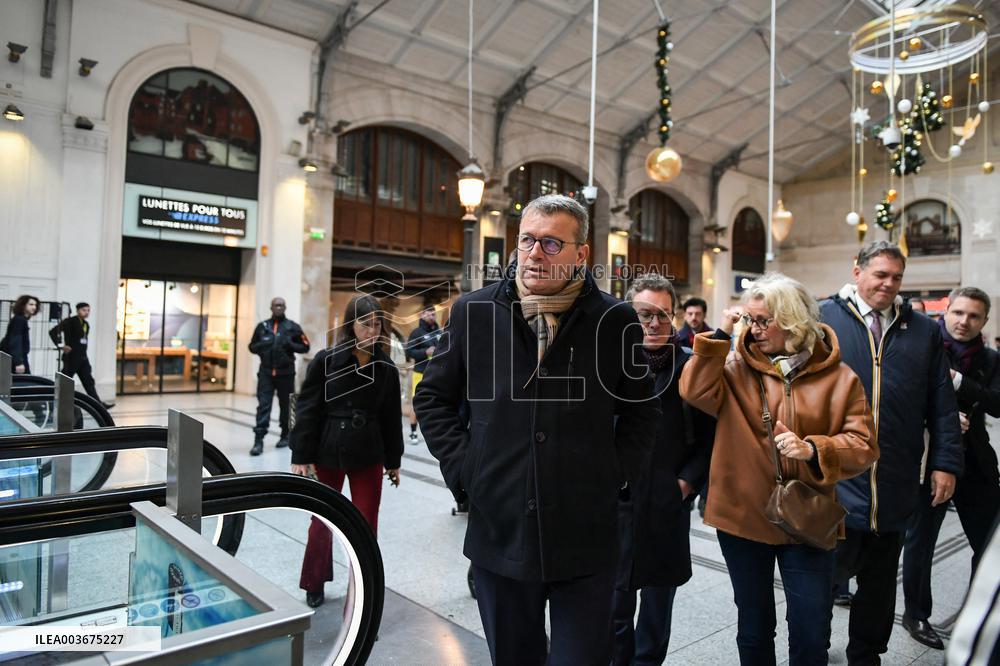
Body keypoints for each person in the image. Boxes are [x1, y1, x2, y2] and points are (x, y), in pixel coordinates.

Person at [414, 193, 658, 665]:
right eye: (527, 240)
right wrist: (466, 470)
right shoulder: (475, 311)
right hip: (501, 527)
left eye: (551, 244)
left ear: (581, 253)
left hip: (585, 532)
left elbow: (642, 410)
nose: (534, 253)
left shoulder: (614, 320)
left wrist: (615, 473)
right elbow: (433, 397)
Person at [680, 271, 877, 665]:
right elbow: (694, 390)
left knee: (811, 631)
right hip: (743, 516)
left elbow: (864, 445)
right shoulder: (735, 367)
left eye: (762, 320)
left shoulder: (841, 378)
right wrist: (721, 334)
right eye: (749, 319)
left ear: (793, 321)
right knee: (754, 627)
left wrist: (814, 449)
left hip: (808, 520)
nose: (753, 329)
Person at [820, 240, 963, 665]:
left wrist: (944, 463)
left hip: (895, 479)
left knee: (880, 585)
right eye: (880, 274)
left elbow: (942, 402)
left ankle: (867, 655)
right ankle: (812, 647)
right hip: (837, 478)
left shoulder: (922, 330)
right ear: (858, 271)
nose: (889, 284)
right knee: (823, 578)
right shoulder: (823, 318)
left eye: (897, 277)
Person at [613, 273, 715, 666]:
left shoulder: (690, 367)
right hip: (614, 504)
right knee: (614, 603)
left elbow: (709, 435)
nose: (654, 323)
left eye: (663, 315)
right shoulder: (609, 363)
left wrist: (684, 485)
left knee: (657, 607)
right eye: (645, 315)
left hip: (665, 502)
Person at [901, 286, 1000, 650]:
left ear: (984, 320)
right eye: (958, 313)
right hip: (932, 459)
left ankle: (978, 608)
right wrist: (941, 418)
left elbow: (997, 403)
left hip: (976, 463)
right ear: (946, 312)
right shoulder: (923, 348)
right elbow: (904, 398)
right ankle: (916, 614)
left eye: (974, 316)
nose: (964, 321)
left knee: (988, 545)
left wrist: (960, 383)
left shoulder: (990, 359)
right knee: (921, 541)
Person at [289, 294, 403, 608]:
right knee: (322, 522)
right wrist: (301, 455)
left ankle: (362, 589)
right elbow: (309, 409)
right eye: (366, 324)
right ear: (351, 325)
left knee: (366, 525)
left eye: (377, 324)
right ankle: (314, 582)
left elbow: (391, 418)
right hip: (328, 449)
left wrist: (393, 461)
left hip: (369, 451)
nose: (372, 331)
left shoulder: (386, 368)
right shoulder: (326, 361)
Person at [248, 297, 309, 455]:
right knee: (263, 406)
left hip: (286, 374)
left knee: (287, 406)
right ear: (271, 307)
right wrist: (263, 345)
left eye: (281, 305)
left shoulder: (293, 327)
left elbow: (305, 346)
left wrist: (291, 344)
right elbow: (252, 347)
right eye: (276, 305)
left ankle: (286, 435)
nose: (279, 308)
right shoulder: (262, 327)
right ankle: (258, 440)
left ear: (285, 307)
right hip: (266, 373)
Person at [48, 302, 104, 403]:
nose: (86, 312)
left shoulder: (86, 324)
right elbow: (53, 332)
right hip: (71, 358)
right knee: (65, 381)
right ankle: (55, 401)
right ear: (78, 310)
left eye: (88, 310)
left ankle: (98, 404)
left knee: (89, 382)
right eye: (84, 310)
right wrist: (61, 346)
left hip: (83, 358)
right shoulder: (70, 321)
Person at [405, 305, 441, 443]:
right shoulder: (416, 332)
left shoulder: (438, 331)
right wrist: (425, 352)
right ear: (422, 315)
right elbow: (409, 352)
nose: (432, 316)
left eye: (433, 314)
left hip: (437, 374)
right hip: (420, 373)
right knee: (417, 403)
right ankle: (413, 432)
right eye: (429, 314)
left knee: (437, 403)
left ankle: (434, 433)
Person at [1, 295, 40, 374]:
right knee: (24, 380)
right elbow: (15, 341)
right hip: (14, 358)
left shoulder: (20, 319)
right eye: (31, 304)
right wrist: (18, 362)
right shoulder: (19, 320)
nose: (34, 307)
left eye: (35, 305)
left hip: (12, 357)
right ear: (23, 305)